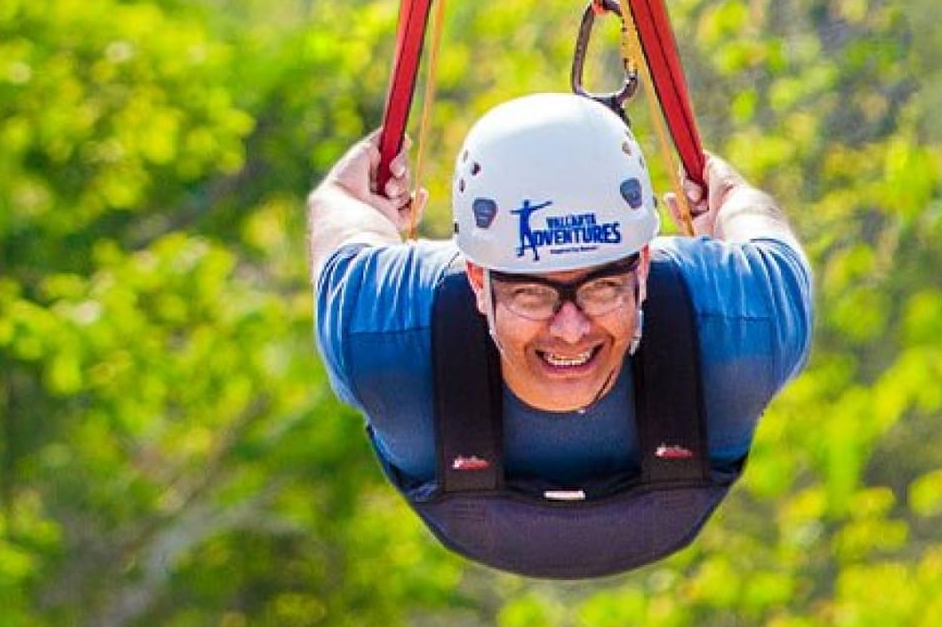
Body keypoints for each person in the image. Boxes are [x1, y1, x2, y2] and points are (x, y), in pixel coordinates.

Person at [308, 93, 814, 579]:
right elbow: (755, 225)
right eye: (531, 295)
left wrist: (733, 200)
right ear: (478, 282)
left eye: (603, 287)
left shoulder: (742, 326)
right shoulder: (382, 337)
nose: (571, 329)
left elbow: (346, 211)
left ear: (643, 267)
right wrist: (729, 202)